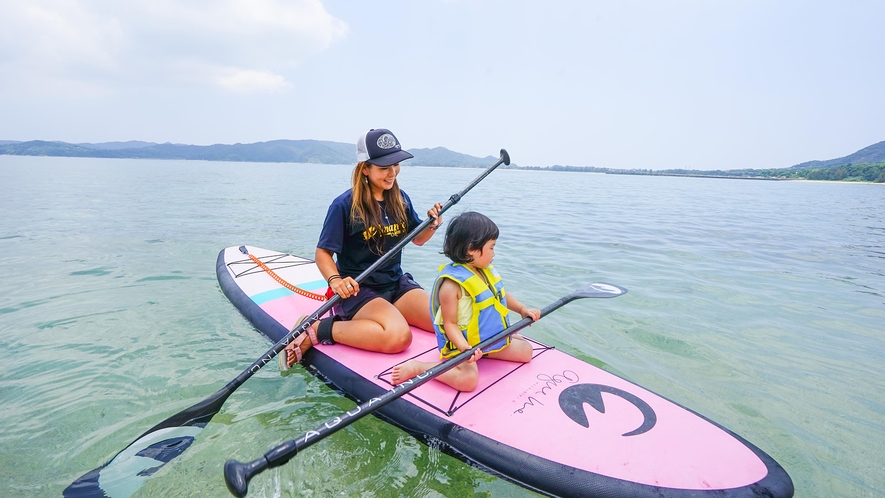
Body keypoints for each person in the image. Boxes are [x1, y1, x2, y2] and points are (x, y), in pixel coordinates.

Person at [281, 128, 443, 369]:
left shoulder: (401, 199)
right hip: (359, 290)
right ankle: (317, 328)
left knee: (445, 319)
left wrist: (431, 225)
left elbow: (416, 239)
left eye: (396, 165)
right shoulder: (344, 205)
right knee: (399, 337)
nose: (392, 173)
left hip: (395, 284)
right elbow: (323, 253)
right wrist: (336, 280)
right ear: (364, 168)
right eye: (384, 167)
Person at [390, 211, 540, 391]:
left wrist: (522, 309)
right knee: (467, 381)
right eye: (491, 247)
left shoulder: (484, 270)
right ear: (471, 249)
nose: (494, 253)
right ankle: (418, 367)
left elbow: (499, 295)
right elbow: (450, 324)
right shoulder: (451, 286)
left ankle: (487, 351)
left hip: (484, 340)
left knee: (527, 352)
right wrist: (465, 349)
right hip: (462, 345)